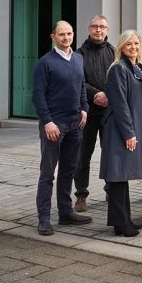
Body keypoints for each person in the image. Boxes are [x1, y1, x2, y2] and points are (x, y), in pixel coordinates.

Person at [31, 21, 93, 236]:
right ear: (53, 37)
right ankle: (44, 219)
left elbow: (81, 86)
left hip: (76, 123)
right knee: (48, 173)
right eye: (61, 34)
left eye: (69, 34)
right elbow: (38, 95)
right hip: (54, 125)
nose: (66, 38)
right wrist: (47, 121)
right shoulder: (45, 63)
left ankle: (66, 212)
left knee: (69, 169)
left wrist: (84, 108)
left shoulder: (77, 58)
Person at [99, 29, 142, 237]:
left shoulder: (137, 68)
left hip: (131, 126)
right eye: (129, 44)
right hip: (121, 129)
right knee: (118, 176)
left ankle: (123, 220)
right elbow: (120, 104)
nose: (134, 48)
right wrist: (129, 133)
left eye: (137, 44)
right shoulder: (118, 69)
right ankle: (122, 224)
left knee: (122, 175)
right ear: (121, 47)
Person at [74, 15, 115, 212]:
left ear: (107, 30)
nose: (98, 30)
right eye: (95, 26)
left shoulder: (115, 52)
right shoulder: (79, 54)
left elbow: (120, 77)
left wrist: (108, 95)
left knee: (110, 152)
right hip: (88, 113)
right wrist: (96, 94)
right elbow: (77, 81)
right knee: (84, 155)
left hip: (110, 112)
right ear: (89, 29)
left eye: (102, 27)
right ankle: (81, 195)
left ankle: (111, 189)